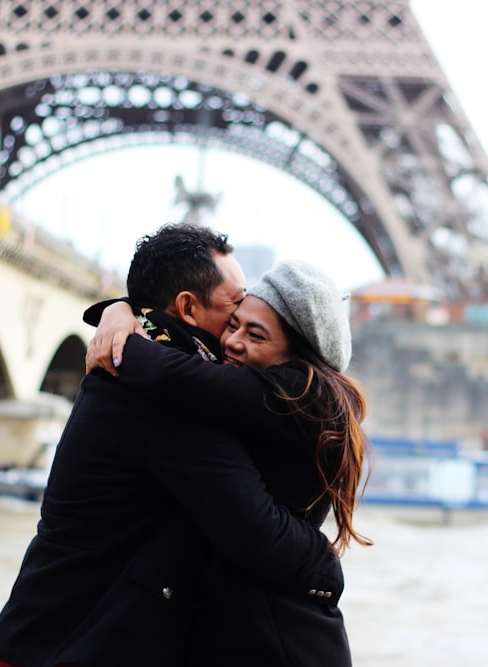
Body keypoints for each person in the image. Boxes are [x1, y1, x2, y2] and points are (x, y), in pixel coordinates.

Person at [0, 224, 344, 667]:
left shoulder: (139, 367)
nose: (235, 333)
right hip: (77, 644)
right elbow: (254, 532)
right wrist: (325, 567)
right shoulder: (171, 401)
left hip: (46, 635)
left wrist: (119, 311)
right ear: (188, 307)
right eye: (235, 309)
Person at [91, 259, 372, 664]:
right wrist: (120, 309)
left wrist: (120, 328)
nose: (232, 341)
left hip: (281, 640)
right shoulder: (273, 400)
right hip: (263, 629)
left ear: (297, 357)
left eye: (255, 334)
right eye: (234, 324)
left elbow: (175, 375)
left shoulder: (299, 392)